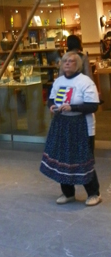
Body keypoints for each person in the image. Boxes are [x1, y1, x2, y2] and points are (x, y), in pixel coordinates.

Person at [40, 52, 101, 206]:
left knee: (83, 159)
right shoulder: (58, 81)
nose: (67, 63)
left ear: (78, 65)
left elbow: (93, 105)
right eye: (65, 61)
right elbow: (52, 99)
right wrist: (51, 106)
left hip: (82, 126)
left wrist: (72, 107)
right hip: (62, 125)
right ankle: (68, 193)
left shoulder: (85, 82)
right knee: (62, 158)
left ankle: (94, 193)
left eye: (71, 61)